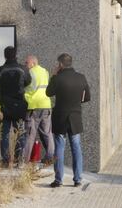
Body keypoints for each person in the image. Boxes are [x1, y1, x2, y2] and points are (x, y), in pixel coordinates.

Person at [46, 53, 90, 188]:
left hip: (60, 117)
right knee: (76, 147)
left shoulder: (58, 78)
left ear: (60, 64)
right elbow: (87, 97)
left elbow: (48, 92)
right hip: (75, 117)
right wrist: (76, 102)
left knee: (59, 147)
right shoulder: (81, 77)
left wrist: (53, 75)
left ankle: (58, 180)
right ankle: (77, 179)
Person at [0, 46, 31, 168]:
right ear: (16, 55)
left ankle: (5, 161)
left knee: (4, 134)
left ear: (5, 56)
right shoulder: (23, 69)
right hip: (19, 106)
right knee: (20, 133)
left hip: (4, 107)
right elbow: (28, 82)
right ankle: (19, 160)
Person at [23, 55, 54, 164]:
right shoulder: (45, 72)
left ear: (33, 63)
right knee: (47, 133)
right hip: (46, 105)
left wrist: (24, 96)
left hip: (34, 106)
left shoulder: (30, 73)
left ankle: (24, 160)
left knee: (30, 134)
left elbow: (28, 89)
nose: (25, 65)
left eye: (26, 63)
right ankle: (50, 157)